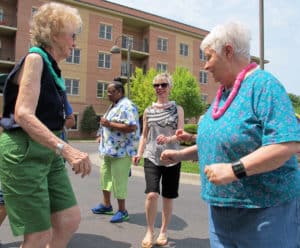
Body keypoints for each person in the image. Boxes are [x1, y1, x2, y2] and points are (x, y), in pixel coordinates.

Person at [161, 21, 300, 248]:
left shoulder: (264, 85)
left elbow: (286, 144)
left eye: (209, 57)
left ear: (228, 51)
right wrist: (178, 155)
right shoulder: (223, 94)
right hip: (221, 214)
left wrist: (233, 170)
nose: (205, 66)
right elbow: (217, 143)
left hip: (265, 214)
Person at [0, 2, 92, 247]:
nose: (75, 41)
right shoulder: (35, 58)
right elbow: (22, 113)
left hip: (48, 153)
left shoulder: (52, 67)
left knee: (68, 219)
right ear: (54, 34)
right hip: (25, 152)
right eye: (72, 35)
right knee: (38, 235)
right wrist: (67, 149)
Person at [132, 73, 184, 248]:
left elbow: (180, 134)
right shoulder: (148, 110)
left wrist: (169, 140)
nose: (159, 88)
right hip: (152, 156)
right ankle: (149, 230)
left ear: (170, 87)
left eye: (163, 84)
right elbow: (144, 135)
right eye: (156, 85)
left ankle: (163, 230)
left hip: (172, 158)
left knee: (168, 197)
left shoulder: (178, 109)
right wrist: (139, 152)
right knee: (152, 194)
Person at [91, 80, 140, 223]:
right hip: (108, 151)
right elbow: (105, 123)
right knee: (105, 178)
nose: (108, 94)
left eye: (111, 91)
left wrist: (110, 124)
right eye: (107, 91)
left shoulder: (128, 106)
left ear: (120, 92)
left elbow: (132, 127)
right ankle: (106, 205)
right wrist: (100, 134)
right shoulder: (113, 106)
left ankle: (122, 211)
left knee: (119, 182)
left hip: (121, 152)